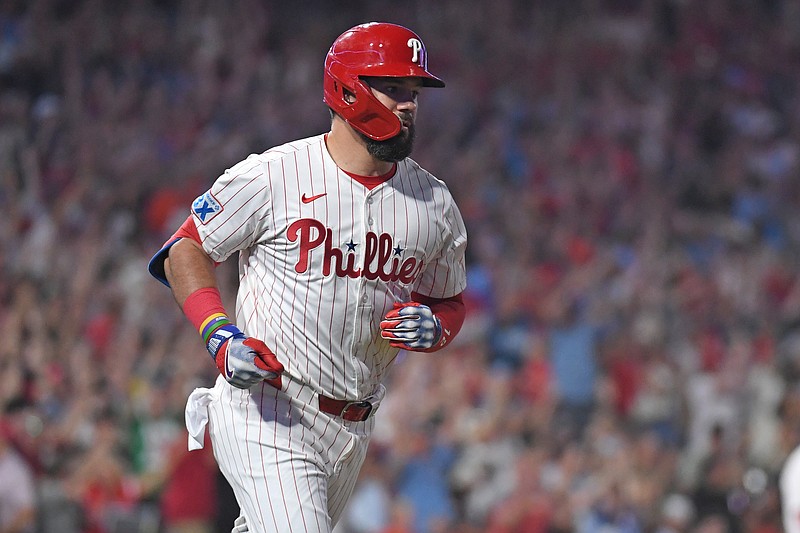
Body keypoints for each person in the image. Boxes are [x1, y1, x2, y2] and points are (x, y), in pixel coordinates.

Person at [147, 22, 467, 533]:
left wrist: (438, 326)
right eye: (394, 88)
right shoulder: (273, 175)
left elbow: (448, 300)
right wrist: (219, 335)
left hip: (354, 425)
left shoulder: (433, 203)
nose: (409, 104)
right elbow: (184, 248)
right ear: (348, 88)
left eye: (414, 92)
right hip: (268, 407)